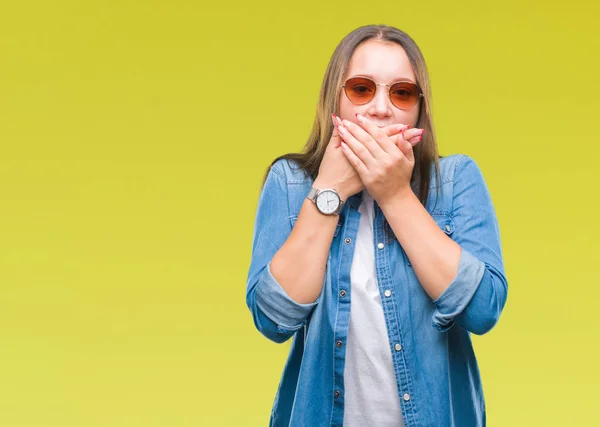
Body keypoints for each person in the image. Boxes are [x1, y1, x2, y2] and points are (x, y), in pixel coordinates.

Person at [245, 24, 508, 427]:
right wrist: (328, 191)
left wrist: (394, 195)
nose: (380, 108)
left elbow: (483, 310)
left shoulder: (455, 181)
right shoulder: (292, 183)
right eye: (362, 89)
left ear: (420, 108)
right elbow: (273, 319)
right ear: (335, 97)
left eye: (401, 92)